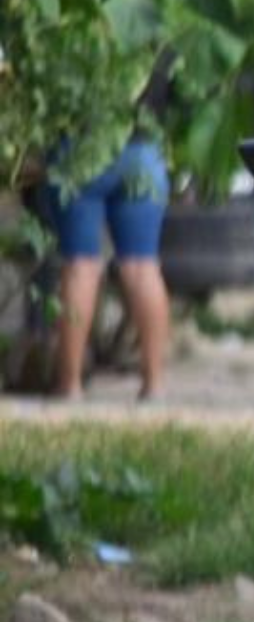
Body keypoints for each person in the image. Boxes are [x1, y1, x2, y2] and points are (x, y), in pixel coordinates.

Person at [43, 65, 174, 402]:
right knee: (143, 267)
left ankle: (69, 386)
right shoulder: (157, 21)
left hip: (81, 149)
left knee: (82, 266)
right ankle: (154, 385)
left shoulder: (75, 17)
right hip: (143, 152)